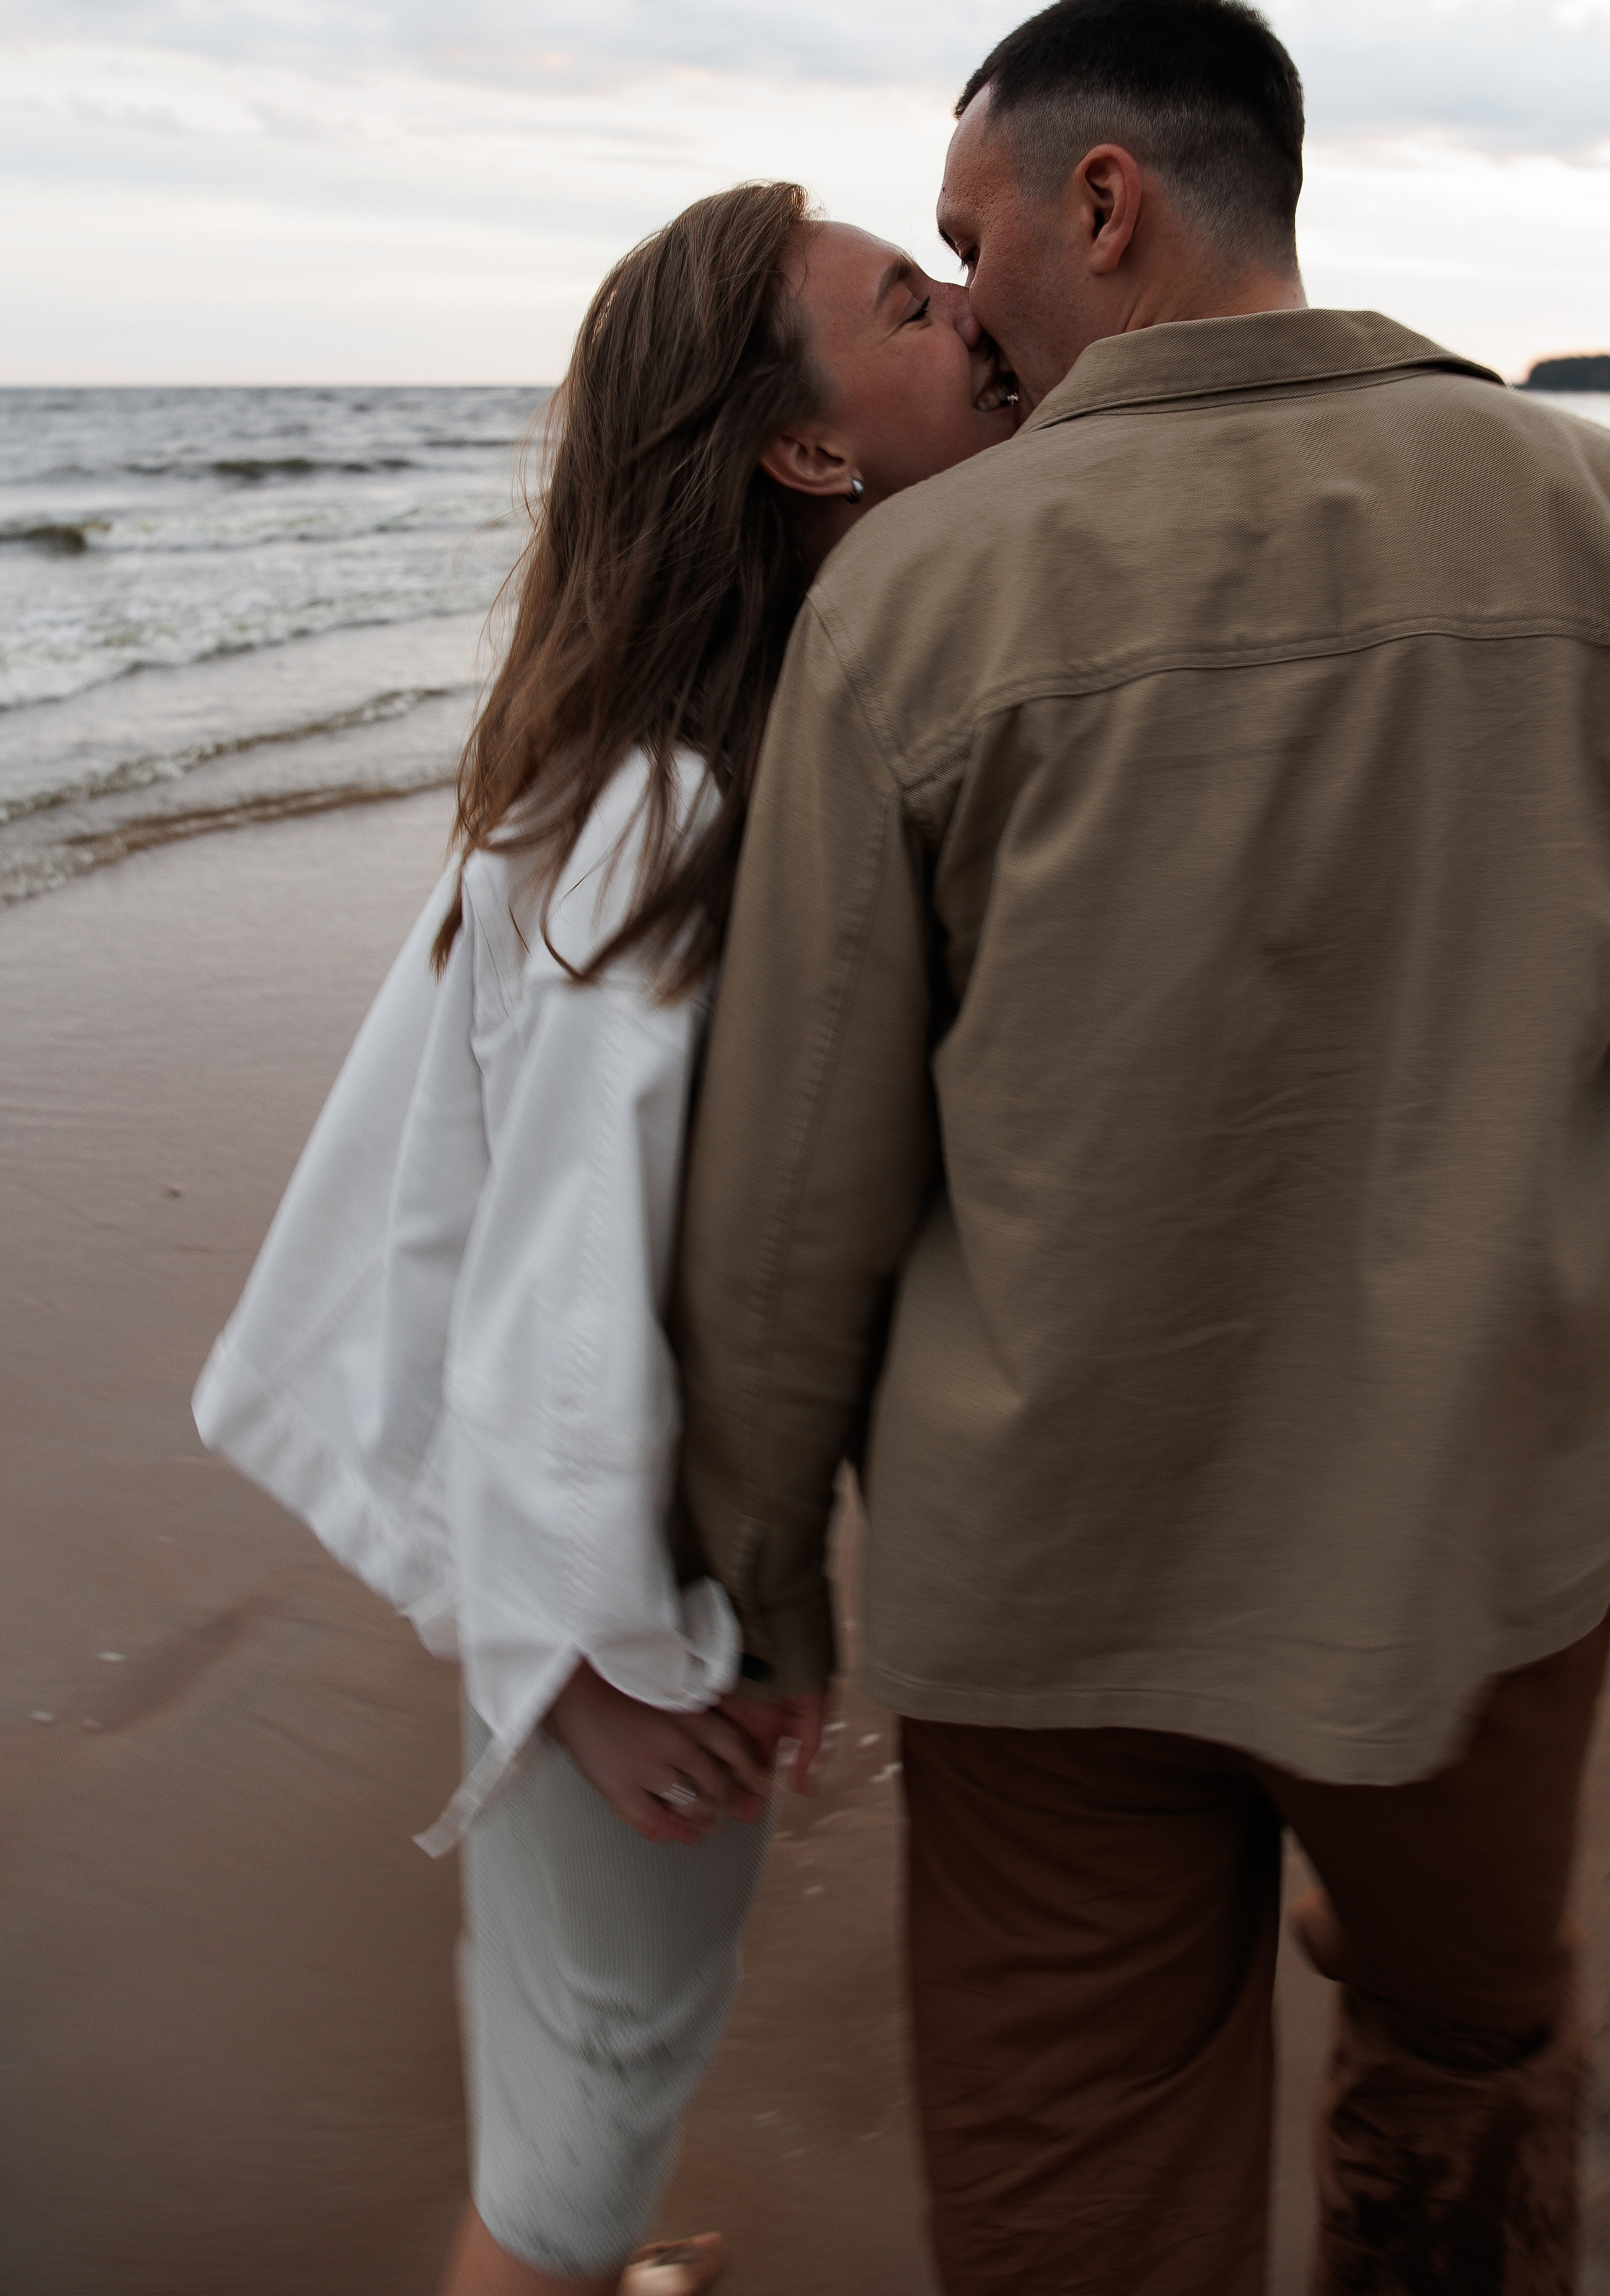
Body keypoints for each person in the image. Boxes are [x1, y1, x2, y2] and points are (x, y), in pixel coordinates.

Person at [674, 0, 1610, 2294]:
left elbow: (801, 1170)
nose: (968, 304)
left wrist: (770, 1574)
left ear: (1101, 206)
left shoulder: (911, 599)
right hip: (1483, 1533)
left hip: (1046, 1596)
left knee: (1076, 2185)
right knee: (1459, 2048)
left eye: (967, 234)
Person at [193, 179, 1021, 2296]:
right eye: (909, 306)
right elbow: (560, 1292)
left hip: (585, 1573)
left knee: (574, 2037)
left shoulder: (696, 760)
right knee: (587, 2109)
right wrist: (591, 1679)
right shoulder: (673, 813)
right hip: (611, 1603)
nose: (971, 328)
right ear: (808, 450)